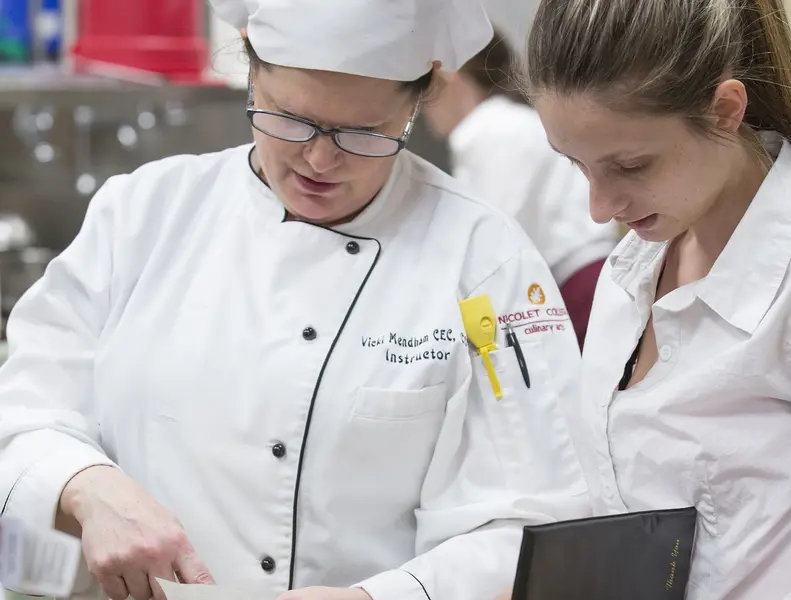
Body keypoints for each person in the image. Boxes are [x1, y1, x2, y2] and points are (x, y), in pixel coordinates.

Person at [0, 1, 593, 599]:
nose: (319, 159)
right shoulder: (143, 214)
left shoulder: (483, 260)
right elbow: (22, 413)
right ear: (251, 72)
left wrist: (382, 597)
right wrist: (87, 484)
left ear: (419, 101)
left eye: (363, 133)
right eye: (290, 119)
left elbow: (532, 520)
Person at [505, 0, 791, 597]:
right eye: (578, 166)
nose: (599, 207)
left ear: (725, 111)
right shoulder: (630, 270)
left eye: (630, 165)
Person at [422, 32, 619, 350]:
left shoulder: (494, 131)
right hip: (577, 285)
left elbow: (493, 240)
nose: (421, 107)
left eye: (423, 89)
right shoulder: (500, 127)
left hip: (579, 289)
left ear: (449, 77)